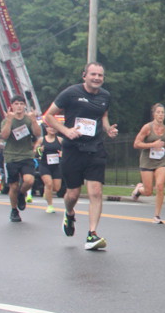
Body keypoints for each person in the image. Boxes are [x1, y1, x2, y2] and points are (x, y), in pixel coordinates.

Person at [43, 62, 119, 251]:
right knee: (73, 194)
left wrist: (108, 129)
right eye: (93, 74)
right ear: (84, 75)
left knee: (96, 192)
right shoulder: (71, 93)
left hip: (95, 148)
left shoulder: (105, 96)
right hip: (73, 149)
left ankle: (92, 234)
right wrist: (65, 131)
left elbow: (103, 115)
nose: (97, 78)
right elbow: (48, 116)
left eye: (100, 75)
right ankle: (69, 213)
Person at [0, 96, 43, 222]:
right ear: (12, 106)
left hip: (26, 155)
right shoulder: (7, 119)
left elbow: (38, 133)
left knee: (29, 180)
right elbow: (4, 135)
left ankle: (21, 194)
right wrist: (9, 120)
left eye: (21, 104)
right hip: (11, 156)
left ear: (24, 106)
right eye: (16, 104)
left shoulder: (28, 119)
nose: (19, 106)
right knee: (13, 186)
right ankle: (14, 210)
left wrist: (34, 120)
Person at [131, 103, 165, 224]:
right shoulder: (147, 128)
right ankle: (139, 189)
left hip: (161, 161)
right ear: (154, 114)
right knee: (148, 192)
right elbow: (136, 144)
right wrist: (153, 144)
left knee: (160, 186)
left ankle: (157, 216)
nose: (161, 115)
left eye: (163, 112)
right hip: (147, 161)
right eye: (158, 112)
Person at [36, 126, 64, 213]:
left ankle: (47, 192)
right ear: (46, 129)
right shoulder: (41, 140)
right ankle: (50, 206)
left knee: (56, 188)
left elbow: (66, 150)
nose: (52, 129)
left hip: (56, 166)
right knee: (49, 183)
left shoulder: (60, 140)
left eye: (54, 128)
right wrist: (39, 150)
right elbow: (35, 151)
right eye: (50, 127)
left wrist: (62, 153)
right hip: (45, 165)